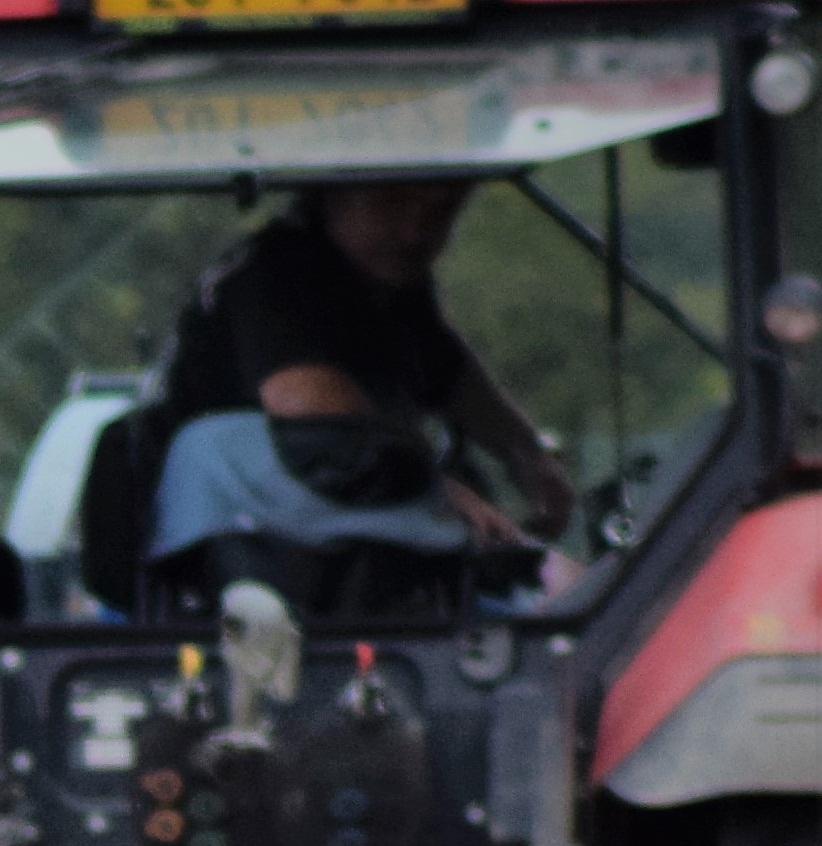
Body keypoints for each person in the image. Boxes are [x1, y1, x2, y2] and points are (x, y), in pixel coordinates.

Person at [146, 182, 578, 609]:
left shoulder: (390, 286)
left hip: (353, 543)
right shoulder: (277, 272)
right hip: (262, 551)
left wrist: (527, 455)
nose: (413, 232)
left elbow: (450, 374)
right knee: (554, 591)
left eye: (439, 214)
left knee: (560, 592)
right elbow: (315, 414)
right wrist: (439, 492)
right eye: (392, 202)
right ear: (332, 195)